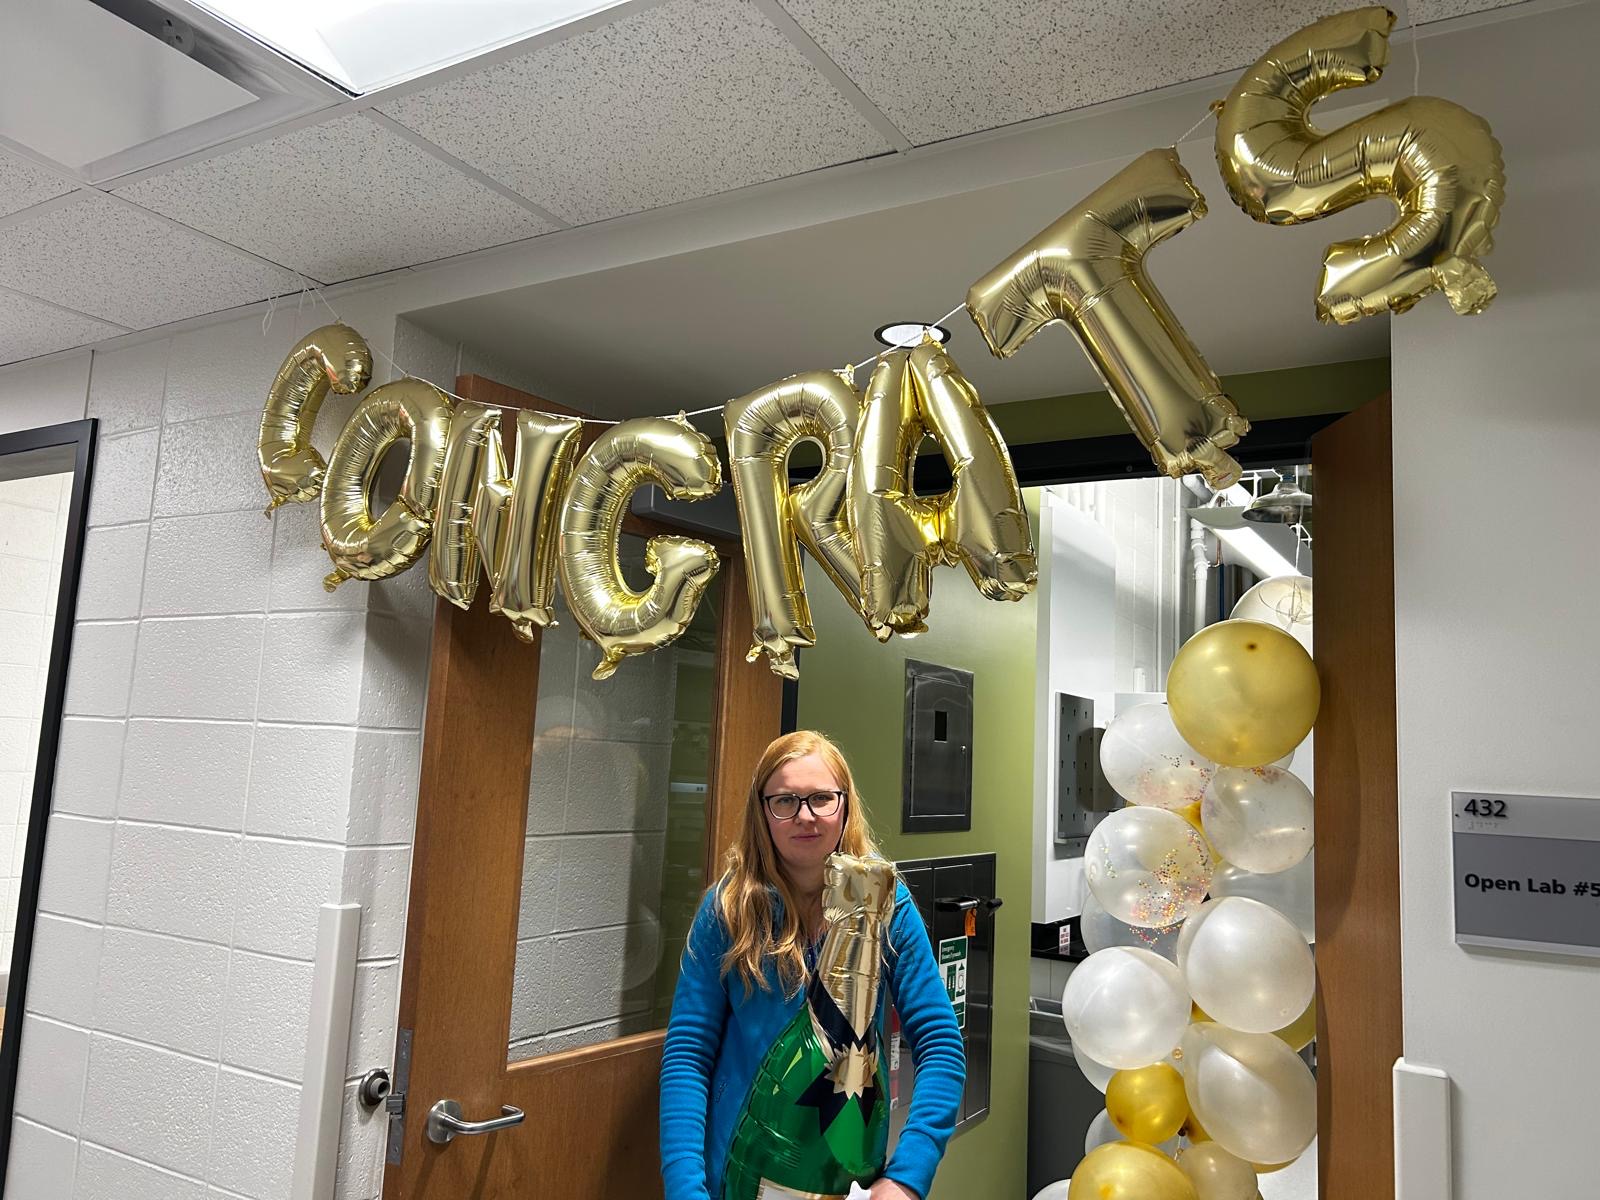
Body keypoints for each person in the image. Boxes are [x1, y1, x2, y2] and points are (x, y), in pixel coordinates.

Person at [660, 729, 966, 1200]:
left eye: (821, 798)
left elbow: (942, 1045)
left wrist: (908, 1177)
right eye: (785, 801)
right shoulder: (728, 908)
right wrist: (686, 1189)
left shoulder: (884, 903)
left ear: (844, 805)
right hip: (739, 1174)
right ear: (762, 811)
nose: (805, 816)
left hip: (845, 1179)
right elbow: (687, 1057)